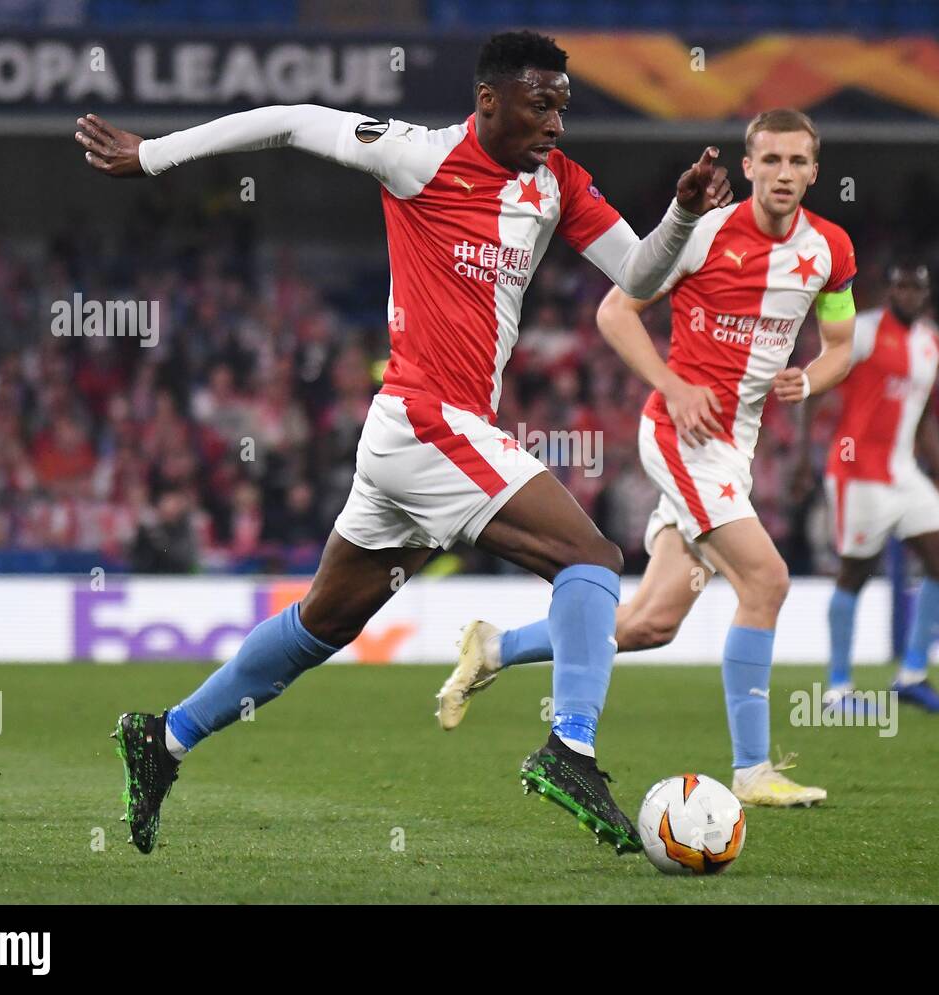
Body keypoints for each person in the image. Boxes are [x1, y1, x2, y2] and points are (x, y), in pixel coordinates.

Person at [77, 30, 731, 854]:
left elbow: (638, 277)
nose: (557, 123)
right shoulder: (417, 158)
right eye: (541, 103)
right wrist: (155, 155)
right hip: (428, 420)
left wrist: (679, 215)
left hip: (421, 437)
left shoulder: (558, 183)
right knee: (592, 560)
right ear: (489, 100)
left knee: (324, 621)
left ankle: (164, 737)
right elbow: (291, 118)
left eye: (563, 105)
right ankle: (571, 746)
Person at [438, 109, 856, 808]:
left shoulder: (831, 250)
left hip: (734, 448)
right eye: (771, 160)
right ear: (748, 167)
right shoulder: (703, 236)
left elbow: (841, 345)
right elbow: (613, 312)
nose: (784, 173)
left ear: (815, 171)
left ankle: (495, 647)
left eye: (798, 162)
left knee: (649, 624)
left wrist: (810, 378)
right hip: (681, 436)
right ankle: (752, 770)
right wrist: (673, 383)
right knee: (767, 580)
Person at [801, 261, 939, 714]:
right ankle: (837, 690)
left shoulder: (931, 343)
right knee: (856, 572)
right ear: (890, 291)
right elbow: (814, 385)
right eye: (901, 287)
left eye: (917, 287)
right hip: (857, 471)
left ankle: (912, 675)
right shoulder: (867, 331)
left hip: (903, 471)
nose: (909, 295)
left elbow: (925, 413)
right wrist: (802, 457)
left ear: (927, 295)